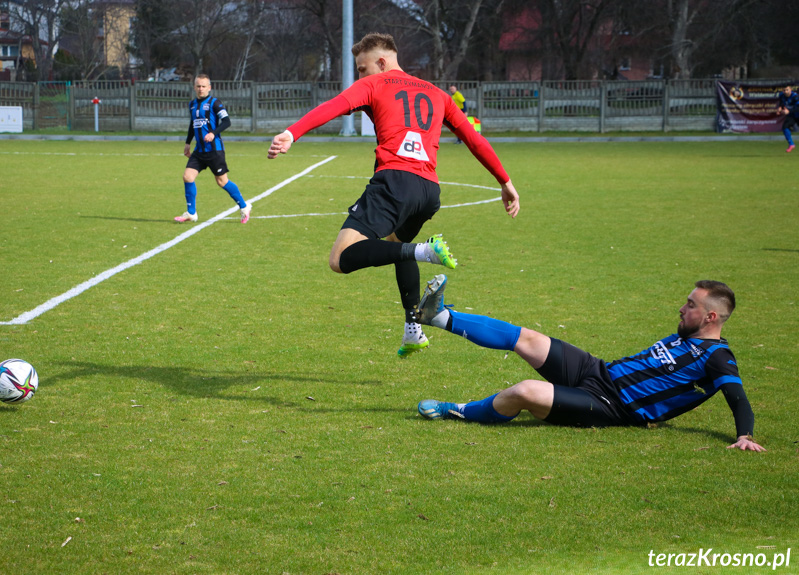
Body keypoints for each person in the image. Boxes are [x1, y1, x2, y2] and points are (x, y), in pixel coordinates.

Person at [267, 32, 520, 357]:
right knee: (395, 245)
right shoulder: (438, 93)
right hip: (428, 191)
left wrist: (291, 133)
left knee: (340, 259)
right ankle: (413, 328)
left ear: (382, 62)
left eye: (361, 68)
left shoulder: (375, 83)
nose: (359, 75)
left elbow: (333, 106)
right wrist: (505, 181)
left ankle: (424, 252)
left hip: (394, 183)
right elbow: (474, 140)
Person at [416, 275, 765, 452]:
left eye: (691, 305)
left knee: (525, 392)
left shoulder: (717, 357)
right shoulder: (686, 336)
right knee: (528, 338)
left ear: (711, 317)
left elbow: (737, 397)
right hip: (597, 371)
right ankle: (440, 316)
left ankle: (455, 409)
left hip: (611, 407)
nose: (681, 308)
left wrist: (744, 434)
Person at [176, 74, 251, 224]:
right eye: (198, 86)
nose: (201, 89)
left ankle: (244, 206)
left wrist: (213, 133)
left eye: (204, 86)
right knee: (187, 177)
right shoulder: (192, 104)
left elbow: (227, 121)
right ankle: (191, 213)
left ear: (209, 88)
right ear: (194, 87)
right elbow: (193, 124)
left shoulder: (214, 103)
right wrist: (187, 143)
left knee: (222, 181)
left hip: (214, 150)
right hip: (199, 151)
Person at [775, 85, 799, 153]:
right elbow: (781, 103)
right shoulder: (782, 95)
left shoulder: (795, 97)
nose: (785, 91)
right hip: (792, 115)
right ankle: (791, 144)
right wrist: (780, 108)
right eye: (784, 90)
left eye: (787, 90)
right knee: (785, 127)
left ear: (790, 90)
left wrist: (789, 111)